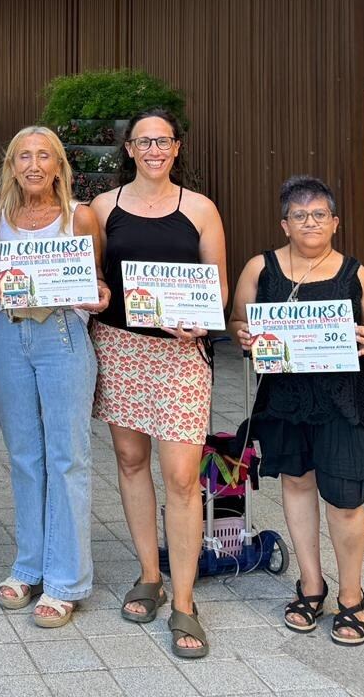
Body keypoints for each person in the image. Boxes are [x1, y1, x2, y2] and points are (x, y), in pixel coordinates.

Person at [230, 174, 364, 647]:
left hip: (343, 402)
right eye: (299, 215)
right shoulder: (261, 269)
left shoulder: (353, 272)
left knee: (345, 500)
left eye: (318, 214)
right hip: (284, 400)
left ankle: (351, 597)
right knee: (297, 484)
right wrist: (242, 333)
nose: (309, 222)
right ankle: (310, 585)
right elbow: (237, 319)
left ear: (334, 222)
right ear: (285, 224)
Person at [88, 108, 227, 659]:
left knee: (182, 476)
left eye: (162, 141)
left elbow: (214, 288)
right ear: (128, 149)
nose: (153, 149)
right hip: (121, 348)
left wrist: (201, 318)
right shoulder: (103, 208)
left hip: (180, 354)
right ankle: (150, 574)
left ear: (176, 147)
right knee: (128, 461)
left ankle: (185, 601)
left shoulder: (201, 209)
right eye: (143, 141)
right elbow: (94, 277)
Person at [0, 127, 108, 628]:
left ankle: (67, 580)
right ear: (11, 165)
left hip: (62, 337)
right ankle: (29, 564)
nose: (34, 165)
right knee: (25, 459)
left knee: (68, 458)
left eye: (44, 156)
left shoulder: (82, 217)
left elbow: (99, 283)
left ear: (59, 165)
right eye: (23, 156)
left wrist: (100, 294)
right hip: (8, 337)